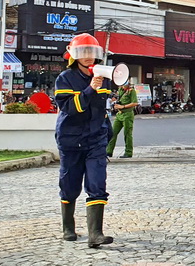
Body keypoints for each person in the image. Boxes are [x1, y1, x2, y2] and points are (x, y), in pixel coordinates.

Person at [54, 33, 114, 248]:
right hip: (71, 140)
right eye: (84, 52)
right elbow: (70, 108)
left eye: (92, 52)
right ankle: (68, 226)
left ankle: (95, 234)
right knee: (70, 185)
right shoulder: (64, 79)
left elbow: (102, 109)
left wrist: (107, 133)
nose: (89, 57)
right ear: (74, 56)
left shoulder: (103, 77)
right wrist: (90, 89)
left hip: (95, 140)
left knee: (97, 183)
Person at [106, 79, 138, 159]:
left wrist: (123, 106)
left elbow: (135, 103)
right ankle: (109, 151)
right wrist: (116, 104)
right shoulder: (120, 90)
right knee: (113, 133)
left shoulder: (132, 91)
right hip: (119, 114)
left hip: (128, 114)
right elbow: (119, 99)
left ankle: (128, 152)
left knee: (127, 134)